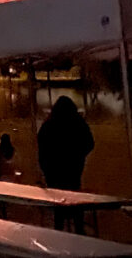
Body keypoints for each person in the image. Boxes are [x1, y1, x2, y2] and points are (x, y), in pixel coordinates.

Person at [38, 96, 94, 233]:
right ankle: (78, 228)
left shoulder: (49, 124)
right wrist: (79, 155)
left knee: (60, 202)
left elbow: (41, 145)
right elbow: (90, 143)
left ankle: (59, 228)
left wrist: (46, 167)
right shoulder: (77, 122)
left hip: (55, 171)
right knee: (74, 197)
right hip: (72, 169)